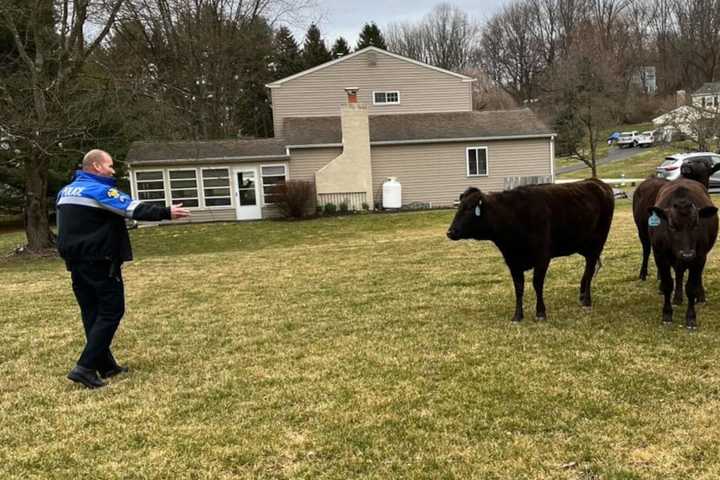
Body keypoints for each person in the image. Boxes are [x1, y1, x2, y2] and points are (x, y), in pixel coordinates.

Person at [56, 149, 190, 389]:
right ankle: (85, 367)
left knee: (92, 313)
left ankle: (106, 365)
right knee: (111, 311)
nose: (112, 170)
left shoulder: (65, 192)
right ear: (96, 166)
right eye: (109, 166)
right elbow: (133, 208)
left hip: (75, 262)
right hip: (100, 261)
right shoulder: (99, 190)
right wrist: (166, 212)